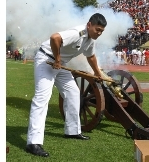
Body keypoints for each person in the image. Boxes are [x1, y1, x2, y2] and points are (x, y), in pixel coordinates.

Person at [25, 13, 107, 158]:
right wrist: (57, 58)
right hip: (47, 60)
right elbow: (55, 38)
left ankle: (72, 131)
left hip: (60, 65)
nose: (99, 33)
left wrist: (98, 73)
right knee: (42, 98)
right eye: (97, 29)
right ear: (89, 25)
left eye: (101, 31)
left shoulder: (90, 40)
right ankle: (33, 143)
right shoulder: (77, 33)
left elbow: (91, 56)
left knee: (74, 94)